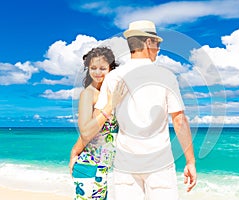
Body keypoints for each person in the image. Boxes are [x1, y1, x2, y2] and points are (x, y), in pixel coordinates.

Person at [95, 20, 197, 200]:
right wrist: (190, 161)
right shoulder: (166, 76)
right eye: (157, 43)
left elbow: (97, 120)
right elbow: (179, 120)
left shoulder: (113, 77)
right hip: (160, 164)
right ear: (148, 43)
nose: (158, 48)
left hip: (125, 163)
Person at [69, 47, 126, 200]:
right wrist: (110, 106)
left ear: (111, 69)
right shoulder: (88, 94)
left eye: (103, 68)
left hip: (104, 168)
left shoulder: (112, 93)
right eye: (93, 68)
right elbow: (86, 132)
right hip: (89, 166)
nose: (97, 72)